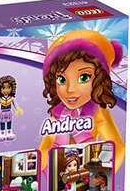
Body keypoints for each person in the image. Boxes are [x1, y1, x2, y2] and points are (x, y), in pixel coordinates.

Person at [39, 29, 125, 172]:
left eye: (83, 77)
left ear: (99, 79)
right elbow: (46, 145)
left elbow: (118, 148)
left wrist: (103, 177)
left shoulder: (97, 112)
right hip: (55, 174)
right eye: (61, 79)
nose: (70, 89)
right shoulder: (57, 113)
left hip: (85, 175)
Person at [0, 75, 23, 141]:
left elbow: (15, 105)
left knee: (9, 122)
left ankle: (9, 133)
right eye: (3, 88)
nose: (6, 90)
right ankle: (2, 134)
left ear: (12, 88)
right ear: (0, 89)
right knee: (2, 123)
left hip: (9, 112)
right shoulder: (0, 99)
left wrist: (18, 109)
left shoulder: (11, 98)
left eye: (8, 87)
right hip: (3, 113)